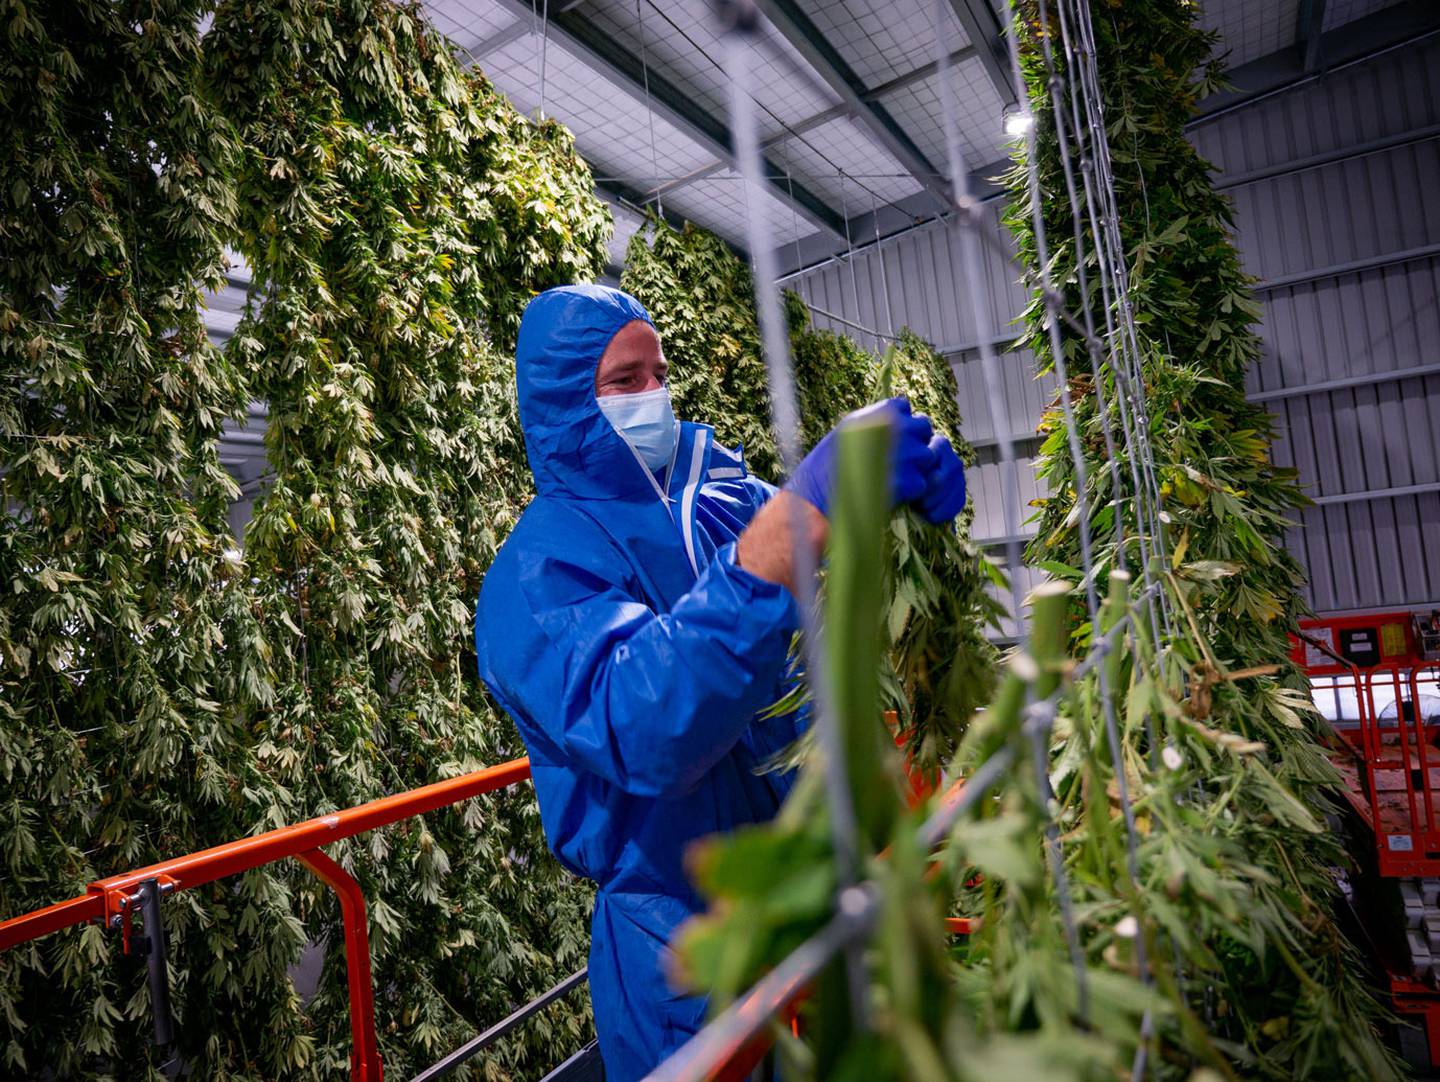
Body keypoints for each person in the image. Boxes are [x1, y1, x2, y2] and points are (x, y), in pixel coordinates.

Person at [474, 284, 967, 1080]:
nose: (654, 395)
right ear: (564, 402)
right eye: (625, 380)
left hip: (805, 895)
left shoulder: (719, 499)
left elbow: (829, 604)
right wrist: (793, 527)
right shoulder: (536, 574)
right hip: (686, 954)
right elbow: (646, 723)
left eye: (659, 372)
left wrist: (893, 515)